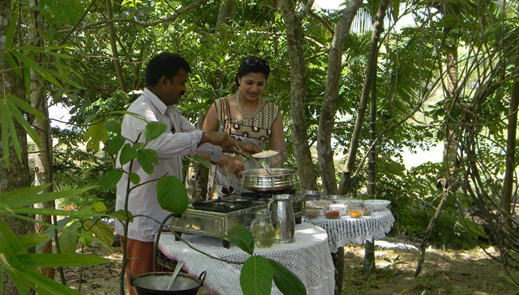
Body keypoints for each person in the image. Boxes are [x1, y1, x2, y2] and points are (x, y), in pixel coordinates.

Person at [113, 52, 257, 295]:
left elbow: (194, 141)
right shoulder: (139, 111)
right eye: (182, 83)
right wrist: (206, 135)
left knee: (167, 283)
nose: (184, 89)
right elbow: (159, 144)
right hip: (141, 216)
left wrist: (233, 152)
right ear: (164, 81)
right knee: (143, 284)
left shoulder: (171, 112)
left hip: (166, 217)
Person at [203, 56, 287, 197]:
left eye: (260, 84)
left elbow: (280, 151)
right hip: (222, 189)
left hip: (257, 188)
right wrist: (227, 161)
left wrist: (271, 159)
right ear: (239, 79)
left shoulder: (272, 111)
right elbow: (201, 147)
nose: (254, 89)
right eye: (249, 82)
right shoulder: (220, 106)